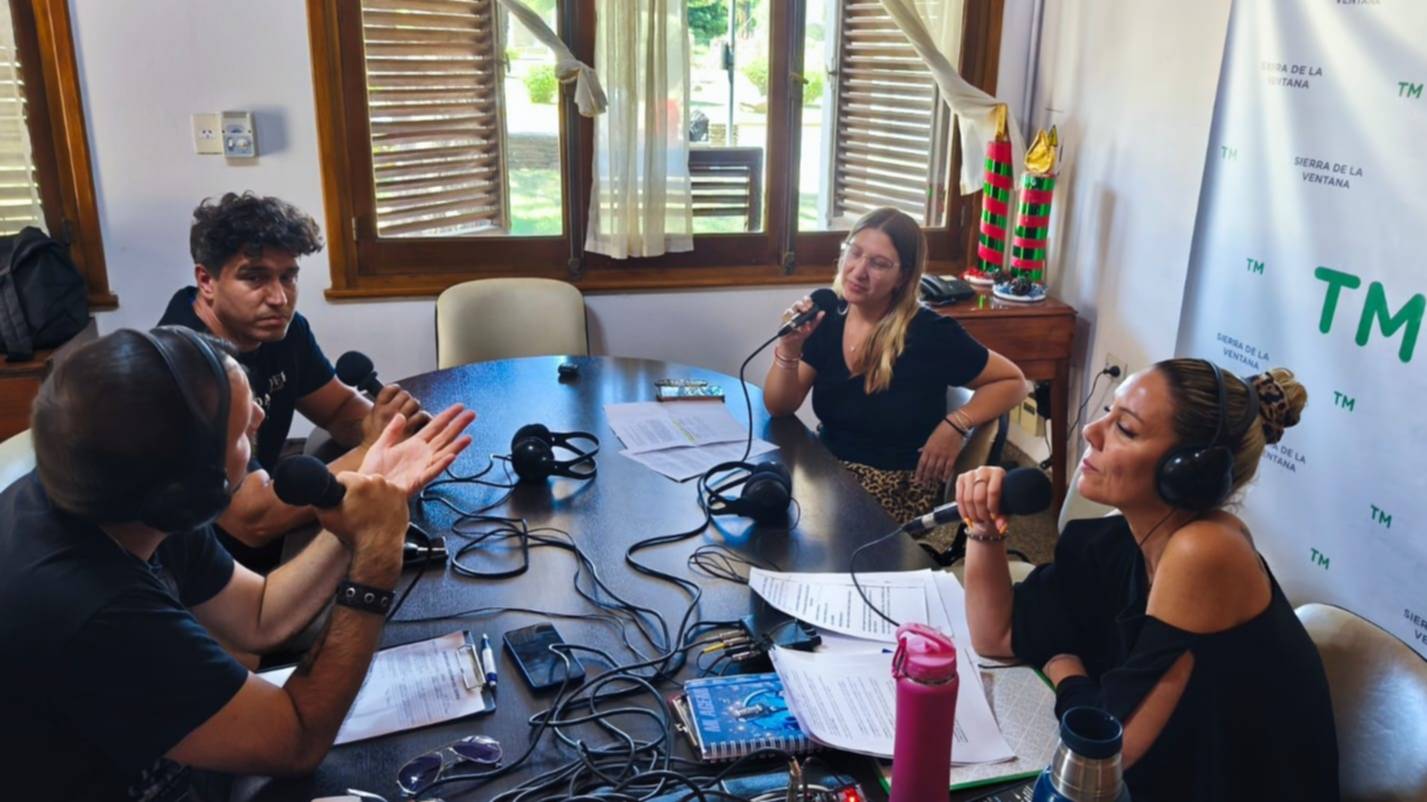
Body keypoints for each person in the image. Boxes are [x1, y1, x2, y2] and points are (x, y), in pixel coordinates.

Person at [0, 326, 475, 801]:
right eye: (244, 426)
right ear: (192, 487)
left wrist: (366, 496)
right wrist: (375, 559)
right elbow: (296, 741)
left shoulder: (126, 491)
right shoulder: (93, 610)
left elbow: (260, 615)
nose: (262, 416)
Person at [957, 359, 1338, 801]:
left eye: (1126, 429)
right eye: (1107, 414)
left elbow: (1108, 754)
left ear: (1188, 471)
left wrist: (1065, 671)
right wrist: (982, 524)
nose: (1091, 433)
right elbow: (997, 634)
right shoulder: (1117, 543)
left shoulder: (1207, 551)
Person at [159, 191, 432, 571]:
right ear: (206, 280)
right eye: (255, 278)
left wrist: (382, 426)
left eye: (288, 277)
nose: (279, 298)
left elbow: (338, 409)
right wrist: (375, 452)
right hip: (199, 569)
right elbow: (254, 520)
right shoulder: (183, 364)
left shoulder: (283, 331)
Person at [763, 207, 1027, 525]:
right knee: (760, 503)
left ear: (902, 276)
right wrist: (789, 348)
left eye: (878, 264)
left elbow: (1014, 381)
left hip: (894, 485)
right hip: (826, 468)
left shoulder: (929, 332)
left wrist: (956, 424)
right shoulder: (830, 316)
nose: (859, 271)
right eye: (854, 253)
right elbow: (780, 406)